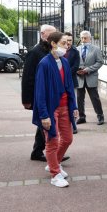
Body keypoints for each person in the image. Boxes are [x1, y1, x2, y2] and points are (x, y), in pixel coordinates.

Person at [32, 32, 78, 188]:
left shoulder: (64, 62)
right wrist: (44, 115)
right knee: (52, 141)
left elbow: (70, 86)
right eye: (64, 43)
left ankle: (54, 163)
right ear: (53, 43)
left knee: (68, 138)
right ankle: (55, 174)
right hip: (51, 109)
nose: (67, 45)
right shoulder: (44, 64)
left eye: (67, 43)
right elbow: (40, 92)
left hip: (65, 107)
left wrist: (75, 106)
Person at [22, 24, 57, 162]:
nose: (55, 37)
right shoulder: (35, 52)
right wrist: (26, 99)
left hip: (50, 94)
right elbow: (27, 77)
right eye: (52, 34)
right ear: (43, 34)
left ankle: (37, 151)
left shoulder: (51, 50)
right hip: (39, 95)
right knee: (46, 123)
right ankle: (51, 152)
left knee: (43, 124)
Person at [76, 30, 104, 125]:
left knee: (95, 98)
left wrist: (88, 69)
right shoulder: (77, 49)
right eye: (82, 38)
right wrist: (77, 70)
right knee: (79, 99)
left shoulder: (96, 49)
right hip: (79, 78)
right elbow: (74, 62)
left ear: (90, 38)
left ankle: (100, 116)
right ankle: (82, 116)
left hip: (91, 77)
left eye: (85, 38)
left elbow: (100, 62)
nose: (83, 40)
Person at [64, 32, 80, 134]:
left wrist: (65, 73)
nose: (68, 42)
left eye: (70, 40)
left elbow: (76, 66)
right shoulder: (58, 51)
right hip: (59, 82)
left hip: (71, 81)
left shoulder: (75, 51)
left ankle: (73, 125)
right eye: (66, 40)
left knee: (73, 103)